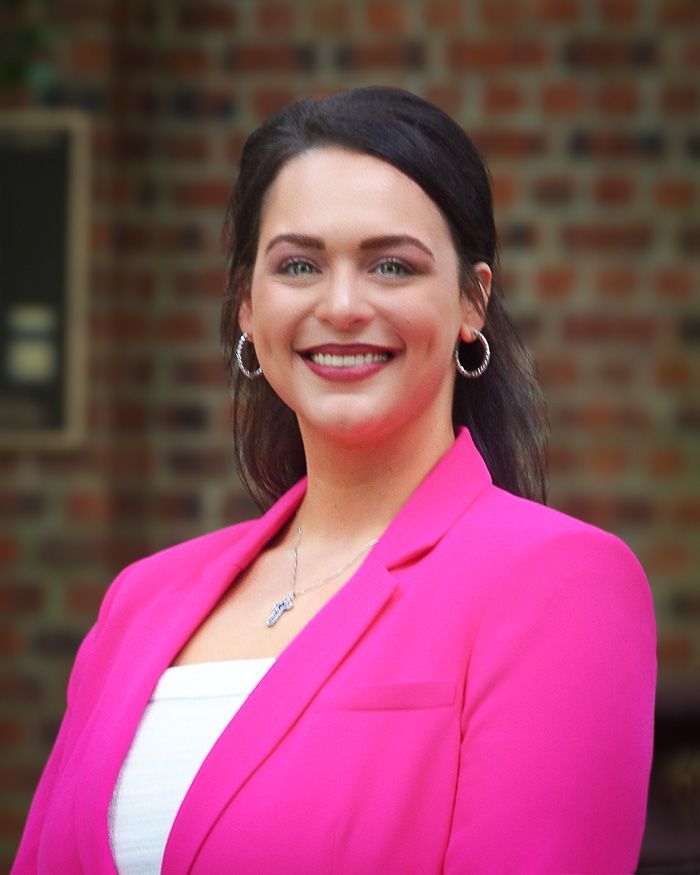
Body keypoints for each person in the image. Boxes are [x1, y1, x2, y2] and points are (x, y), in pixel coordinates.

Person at [13, 87, 656, 875]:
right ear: (248, 306)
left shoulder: (556, 583)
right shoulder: (139, 600)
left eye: (391, 265)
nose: (342, 304)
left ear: (471, 302)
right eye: (299, 264)